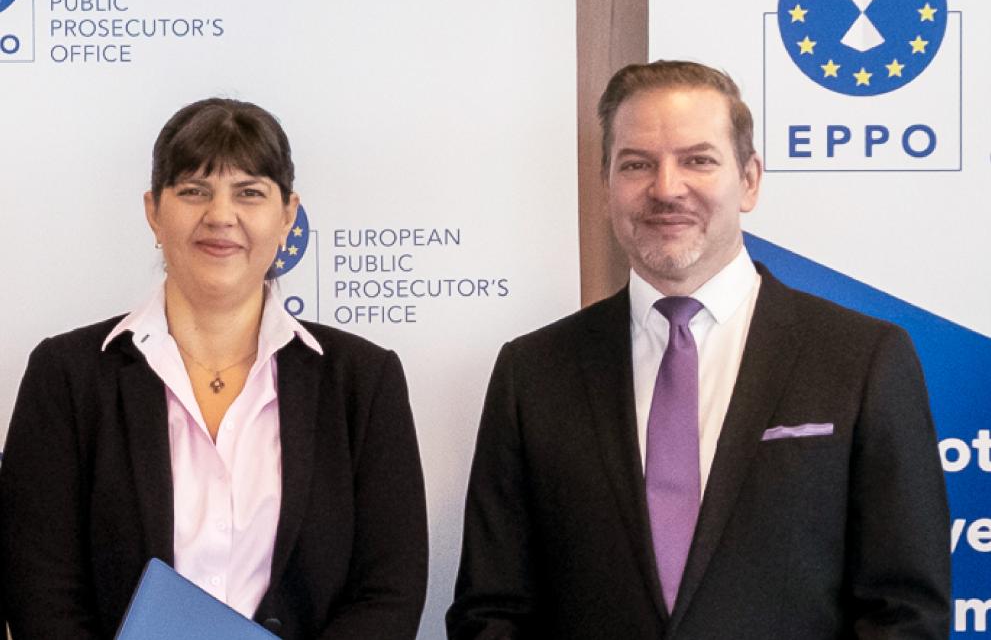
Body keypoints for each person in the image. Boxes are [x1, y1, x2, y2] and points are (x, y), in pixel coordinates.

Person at [447, 60, 950, 639]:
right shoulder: (533, 373)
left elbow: (906, 611)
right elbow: (492, 610)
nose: (666, 188)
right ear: (606, 184)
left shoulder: (862, 359)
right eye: (637, 164)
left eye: (698, 160)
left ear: (750, 180)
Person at [0, 98, 428, 639]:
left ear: (287, 216)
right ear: (154, 211)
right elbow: (40, 591)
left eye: (249, 192)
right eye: (193, 191)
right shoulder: (66, 377)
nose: (221, 215)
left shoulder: (361, 381)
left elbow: (389, 591)